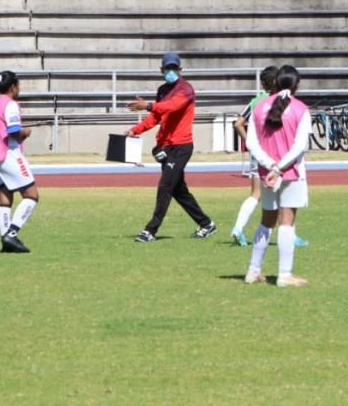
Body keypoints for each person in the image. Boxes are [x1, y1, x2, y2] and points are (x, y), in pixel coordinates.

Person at [127, 51, 218, 243]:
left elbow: (172, 107)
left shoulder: (186, 89)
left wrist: (149, 105)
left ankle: (150, 230)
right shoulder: (162, 90)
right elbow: (156, 117)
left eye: (173, 68)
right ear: (161, 70)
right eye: (167, 68)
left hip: (181, 146)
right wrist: (136, 130)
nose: (170, 71)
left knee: (165, 185)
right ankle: (206, 224)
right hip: (166, 147)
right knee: (178, 190)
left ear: (180, 69)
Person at [243, 65, 312, 287]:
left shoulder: (259, 107)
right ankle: (284, 274)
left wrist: (269, 165)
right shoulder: (301, 109)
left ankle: (253, 271)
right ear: (296, 84)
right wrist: (280, 168)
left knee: (267, 221)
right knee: (287, 223)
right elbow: (299, 146)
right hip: (289, 173)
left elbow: (251, 142)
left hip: (266, 173)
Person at [229, 66, 308, 248]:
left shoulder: (257, 101)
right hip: (281, 159)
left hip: (260, 155)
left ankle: (239, 228)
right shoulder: (284, 102)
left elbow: (238, 123)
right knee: (286, 199)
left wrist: (251, 144)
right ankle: (289, 235)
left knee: (259, 196)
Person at [0, 70, 37, 253]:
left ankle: (6, 241)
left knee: (4, 200)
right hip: (8, 154)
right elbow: (13, 131)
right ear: (13, 87)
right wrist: (25, 132)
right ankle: (11, 234)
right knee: (31, 195)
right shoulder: (10, 104)